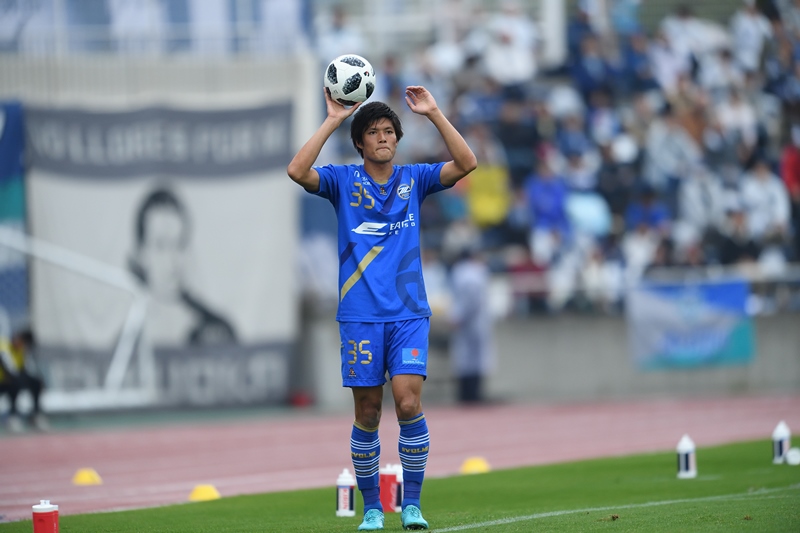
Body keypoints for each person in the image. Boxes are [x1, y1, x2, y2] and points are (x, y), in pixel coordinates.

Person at [287, 86, 477, 531]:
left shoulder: (416, 179)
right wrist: (333, 119)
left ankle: (411, 505)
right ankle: (372, 508)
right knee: (368, 412)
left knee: (408, 403)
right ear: (360, 142)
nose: (383, 138)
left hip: (409, 313)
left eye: (389, 131)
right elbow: (297, 171)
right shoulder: (341, 181)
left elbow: (467, 163)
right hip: (360, 315)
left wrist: (434, 113)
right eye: (373, 132)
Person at [128, 187, 237, 346]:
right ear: (141, 254)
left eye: (180, 244)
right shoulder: (128, 340)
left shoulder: (216, 330)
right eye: (161, 246)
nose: (173, 260)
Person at [448, 246, 494, 404]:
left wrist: (458, 316)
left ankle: (470, 394)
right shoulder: (474, 271)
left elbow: (469, 300)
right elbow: (471, 299)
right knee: (473, 358)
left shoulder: (463, 272)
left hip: (469, 320)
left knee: (469, 358)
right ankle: (471, 394)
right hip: (475, 320)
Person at [0, 328, 47, 432]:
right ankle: (12, 417)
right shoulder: (3, 344)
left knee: (36, 383)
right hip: (3, 381)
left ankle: (36, 415)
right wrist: (15, 377)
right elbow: (6, 365)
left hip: (10, 381)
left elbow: (23, 370)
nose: (23, 346)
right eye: (22, 342)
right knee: (14, 383)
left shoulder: (22, 350)